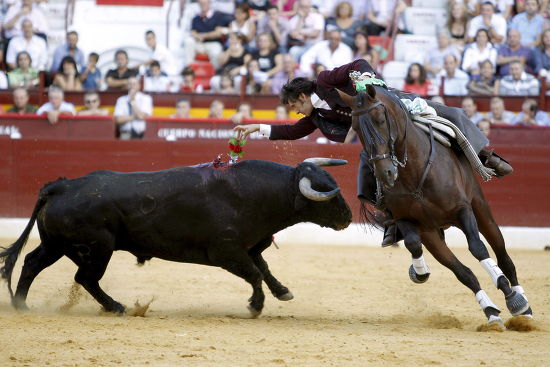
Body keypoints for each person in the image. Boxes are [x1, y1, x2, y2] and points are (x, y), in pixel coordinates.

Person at [233, 59, 513, 247]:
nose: (295, 111)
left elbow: (359, 65)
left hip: (389, 107)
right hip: (376, 136)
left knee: (450, 113)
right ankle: (393, 220)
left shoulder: (325, 81)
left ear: (302, 97)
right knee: (369, 175)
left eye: (294, 105)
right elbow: (292, 131)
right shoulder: (316, 116)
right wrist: (255, 127)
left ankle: (486, 155)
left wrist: (367, 86)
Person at [183, 0, 231, 69]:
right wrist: (197, 36)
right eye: (201, 3)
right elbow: (193, 32)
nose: (203, 5)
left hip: (213, 44)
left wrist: (203, 36)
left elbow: (218, 33)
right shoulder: (196, 18)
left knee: (216, 50)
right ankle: (189, 69)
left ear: (209, 3)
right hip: (199, 44)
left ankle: (217, 72)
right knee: (188, 41)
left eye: (205, 3)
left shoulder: (217, 16)